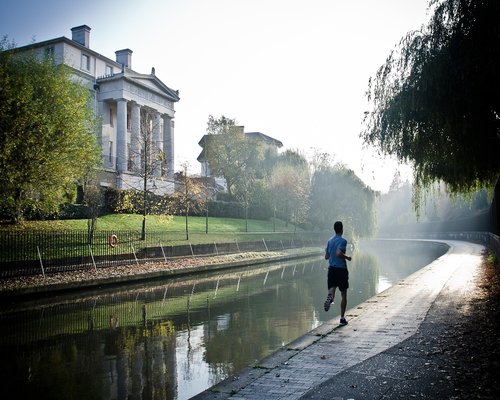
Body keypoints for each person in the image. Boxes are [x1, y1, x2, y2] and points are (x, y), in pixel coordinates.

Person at [324, 221, 352, 325]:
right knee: (343, 294)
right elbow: (339, 253)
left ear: (334, 229)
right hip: (341, 269)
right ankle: (342, 318)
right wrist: (347, 257)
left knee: (332, 290)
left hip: (331, 269)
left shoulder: (329, 241)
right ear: (342, 229)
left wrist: (332, 255)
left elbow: (326, 256)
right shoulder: (343, 241)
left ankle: (329, 298)